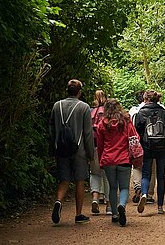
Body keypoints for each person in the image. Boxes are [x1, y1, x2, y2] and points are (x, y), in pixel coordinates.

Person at [49, 79, 94, 224]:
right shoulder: (84, 107)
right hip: (78, 150)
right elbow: (87, 133)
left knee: (64, 179)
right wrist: (90, 154)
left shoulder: (57, 106)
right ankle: (78, 214)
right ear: (79, 92)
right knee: (79, 180)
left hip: (61, 149)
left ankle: (58, 201)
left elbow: (52, 129)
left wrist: (53, 148)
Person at [134, 90, 165, 215]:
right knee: (160, 176)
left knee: (146, 174)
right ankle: (160, 207)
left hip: (147, 146)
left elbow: (137, 132)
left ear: (145, 99)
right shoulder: (163, 112)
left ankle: (144, 193)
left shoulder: (141, 112)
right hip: (162, 147)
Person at [97, 99, 133, 226]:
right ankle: (121, 205)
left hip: (108, 159)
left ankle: (114, 214)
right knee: (124, 187)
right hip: (124, 159)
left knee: (112, 187)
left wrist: (101, 159)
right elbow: (134, 138)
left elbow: (100, 145)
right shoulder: (126, 121)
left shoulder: (102, 124)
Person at [129, 91, 157, 205]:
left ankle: (138, 187)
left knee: (136, 166)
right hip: (153, 142)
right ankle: (149, 194)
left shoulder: (133, 110)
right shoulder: (157, 109)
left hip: (138, 142)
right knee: (152, 169)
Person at [90, 90, 112, 215]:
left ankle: (95, 198)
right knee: (107, 176)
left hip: (93, 146)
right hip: (107, 147)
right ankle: (109, 205)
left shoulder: (90, 112)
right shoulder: (109, 112)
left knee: (94, 173)